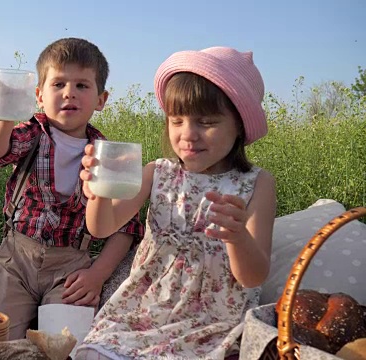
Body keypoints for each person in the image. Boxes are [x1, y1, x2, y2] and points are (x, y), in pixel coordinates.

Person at [74, 47, 277, 359]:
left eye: (206, 121)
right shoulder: (157, 173)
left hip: (214, 319)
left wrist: (237, 237)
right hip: (143, 309)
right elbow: (101, 227)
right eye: (176, 120)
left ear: (239, 126)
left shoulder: (256, 183)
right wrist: (97, 191)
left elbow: (253, 276)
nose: (187, 134)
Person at [0, 37, 145, 341]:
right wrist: (0, 118)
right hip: (17, 262)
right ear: (38, 95)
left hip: (71, 267)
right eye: (58, 84)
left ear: (101, 99)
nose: (69, 93)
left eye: (82, 85)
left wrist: (97, 275)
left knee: (65, 342)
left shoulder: (108, 154)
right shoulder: (33, 133)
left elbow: (126, 226)